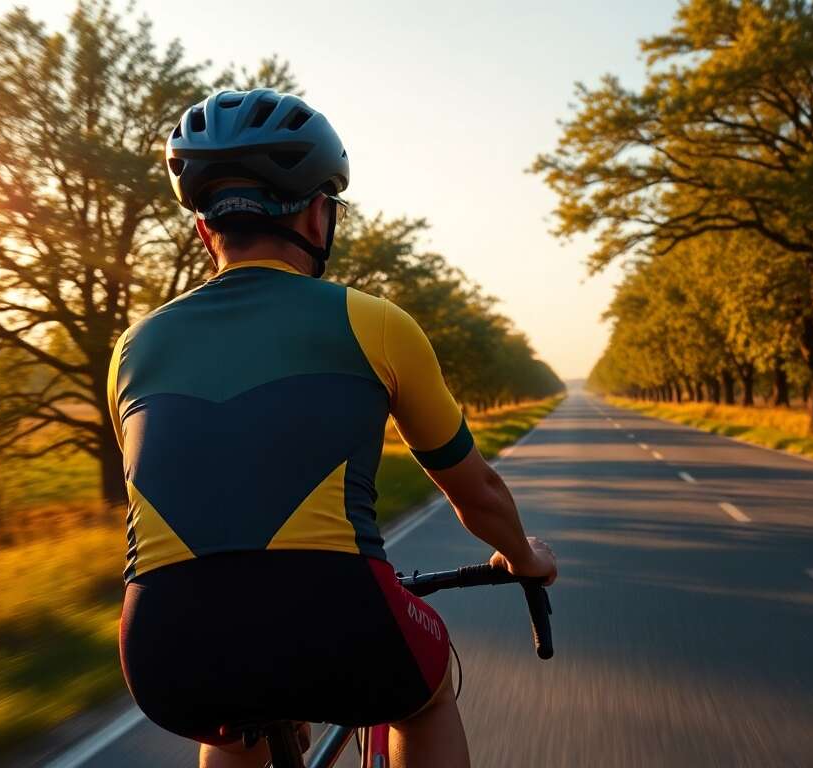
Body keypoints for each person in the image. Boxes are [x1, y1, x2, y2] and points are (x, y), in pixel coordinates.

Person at [110, 89, 557, 768]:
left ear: (205, 230)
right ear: (320, 215)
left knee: (228, 722)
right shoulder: (374, 321)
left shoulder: (130, 349)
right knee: (425, 695)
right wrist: (524, 558)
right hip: (337, 619)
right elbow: (481, 495)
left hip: (162, 651)